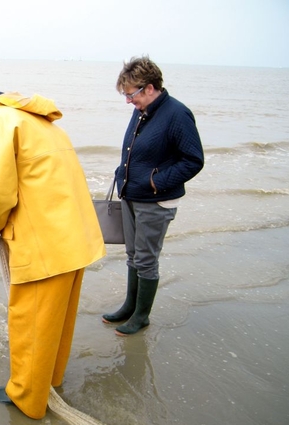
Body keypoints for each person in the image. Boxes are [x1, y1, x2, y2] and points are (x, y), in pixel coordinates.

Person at [0, 78, 106, 419]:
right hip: (74, 236)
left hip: (44, 243)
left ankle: (27, 397)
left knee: (30, 321)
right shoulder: (35, 118)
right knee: (56, 320)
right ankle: (49, 380)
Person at [102, 56, 204, 336]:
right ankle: (129, 307)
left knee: (146, 259)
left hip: (156, 201)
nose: (127, 101)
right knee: (133, 255)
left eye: (130, 94)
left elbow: (193, 160)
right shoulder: (142, 109)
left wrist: (155, 182)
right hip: (131, 196)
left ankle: (141, 316)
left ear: (149, 88)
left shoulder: (177, 114)